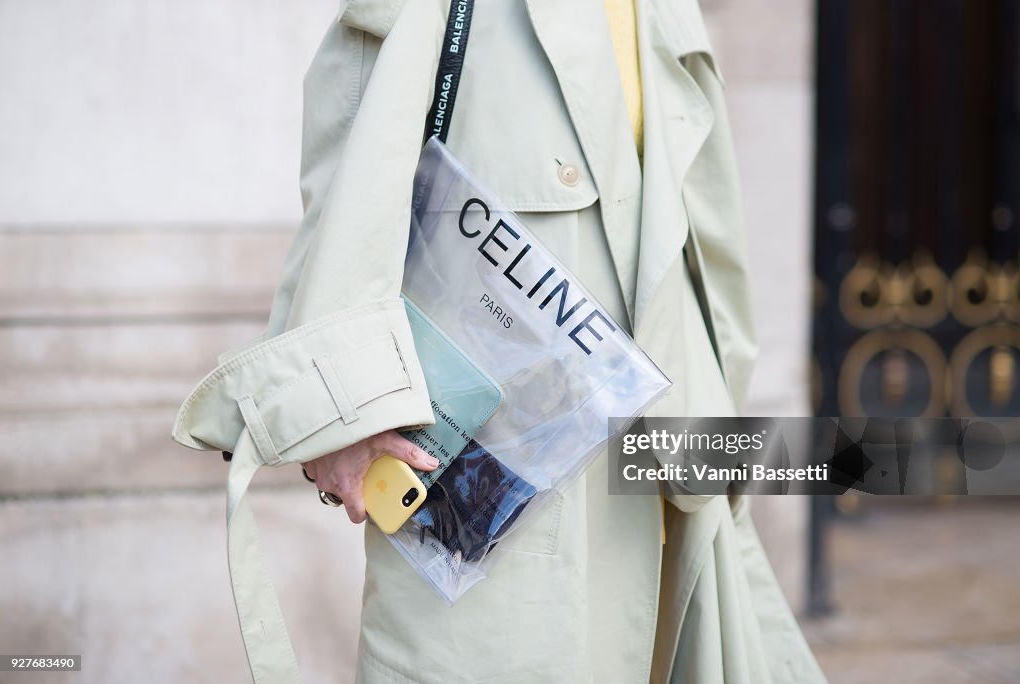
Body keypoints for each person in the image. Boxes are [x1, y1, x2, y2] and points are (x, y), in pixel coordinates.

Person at [173, 0, 827, 681]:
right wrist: (342, 409)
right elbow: (358, 151)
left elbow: (700, 246)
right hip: (503, 501)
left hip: (671, 462)